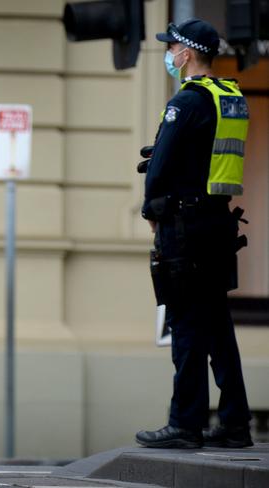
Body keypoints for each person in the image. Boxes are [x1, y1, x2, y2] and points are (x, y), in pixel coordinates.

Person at [136, 19, 253, 449]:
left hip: (184, 229)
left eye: (172, 49)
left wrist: (151, 210)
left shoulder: (185, 102)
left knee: (185, 326)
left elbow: (162, 164)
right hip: (217, 225)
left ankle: (185, 424)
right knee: (218, 326)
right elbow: (206, 158)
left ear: (186, 54)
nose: (169, 55)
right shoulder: (230, 97)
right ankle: (235, 423)